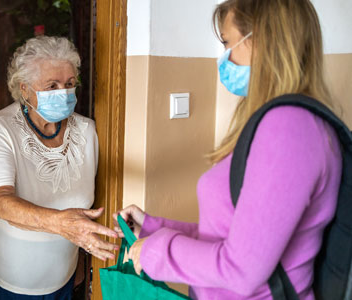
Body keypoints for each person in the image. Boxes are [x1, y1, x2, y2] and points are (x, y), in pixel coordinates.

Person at [114, 0, 342, 299]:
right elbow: (232, 236)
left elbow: (241, 270)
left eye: (229, 43)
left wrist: (156, 251)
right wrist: (154, 228)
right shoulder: (280, 122)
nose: (225, 58)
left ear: (261, 41)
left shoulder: (290, 128)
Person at [0, 36, 118, 300]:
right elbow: (1, 203)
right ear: (24, 89)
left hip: (63, 275)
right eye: (52, 85)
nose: (64, 92)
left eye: (70, 84)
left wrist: (79, 262)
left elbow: (87, 204)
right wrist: (62, 224)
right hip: (3, 276)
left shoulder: (87, 131)